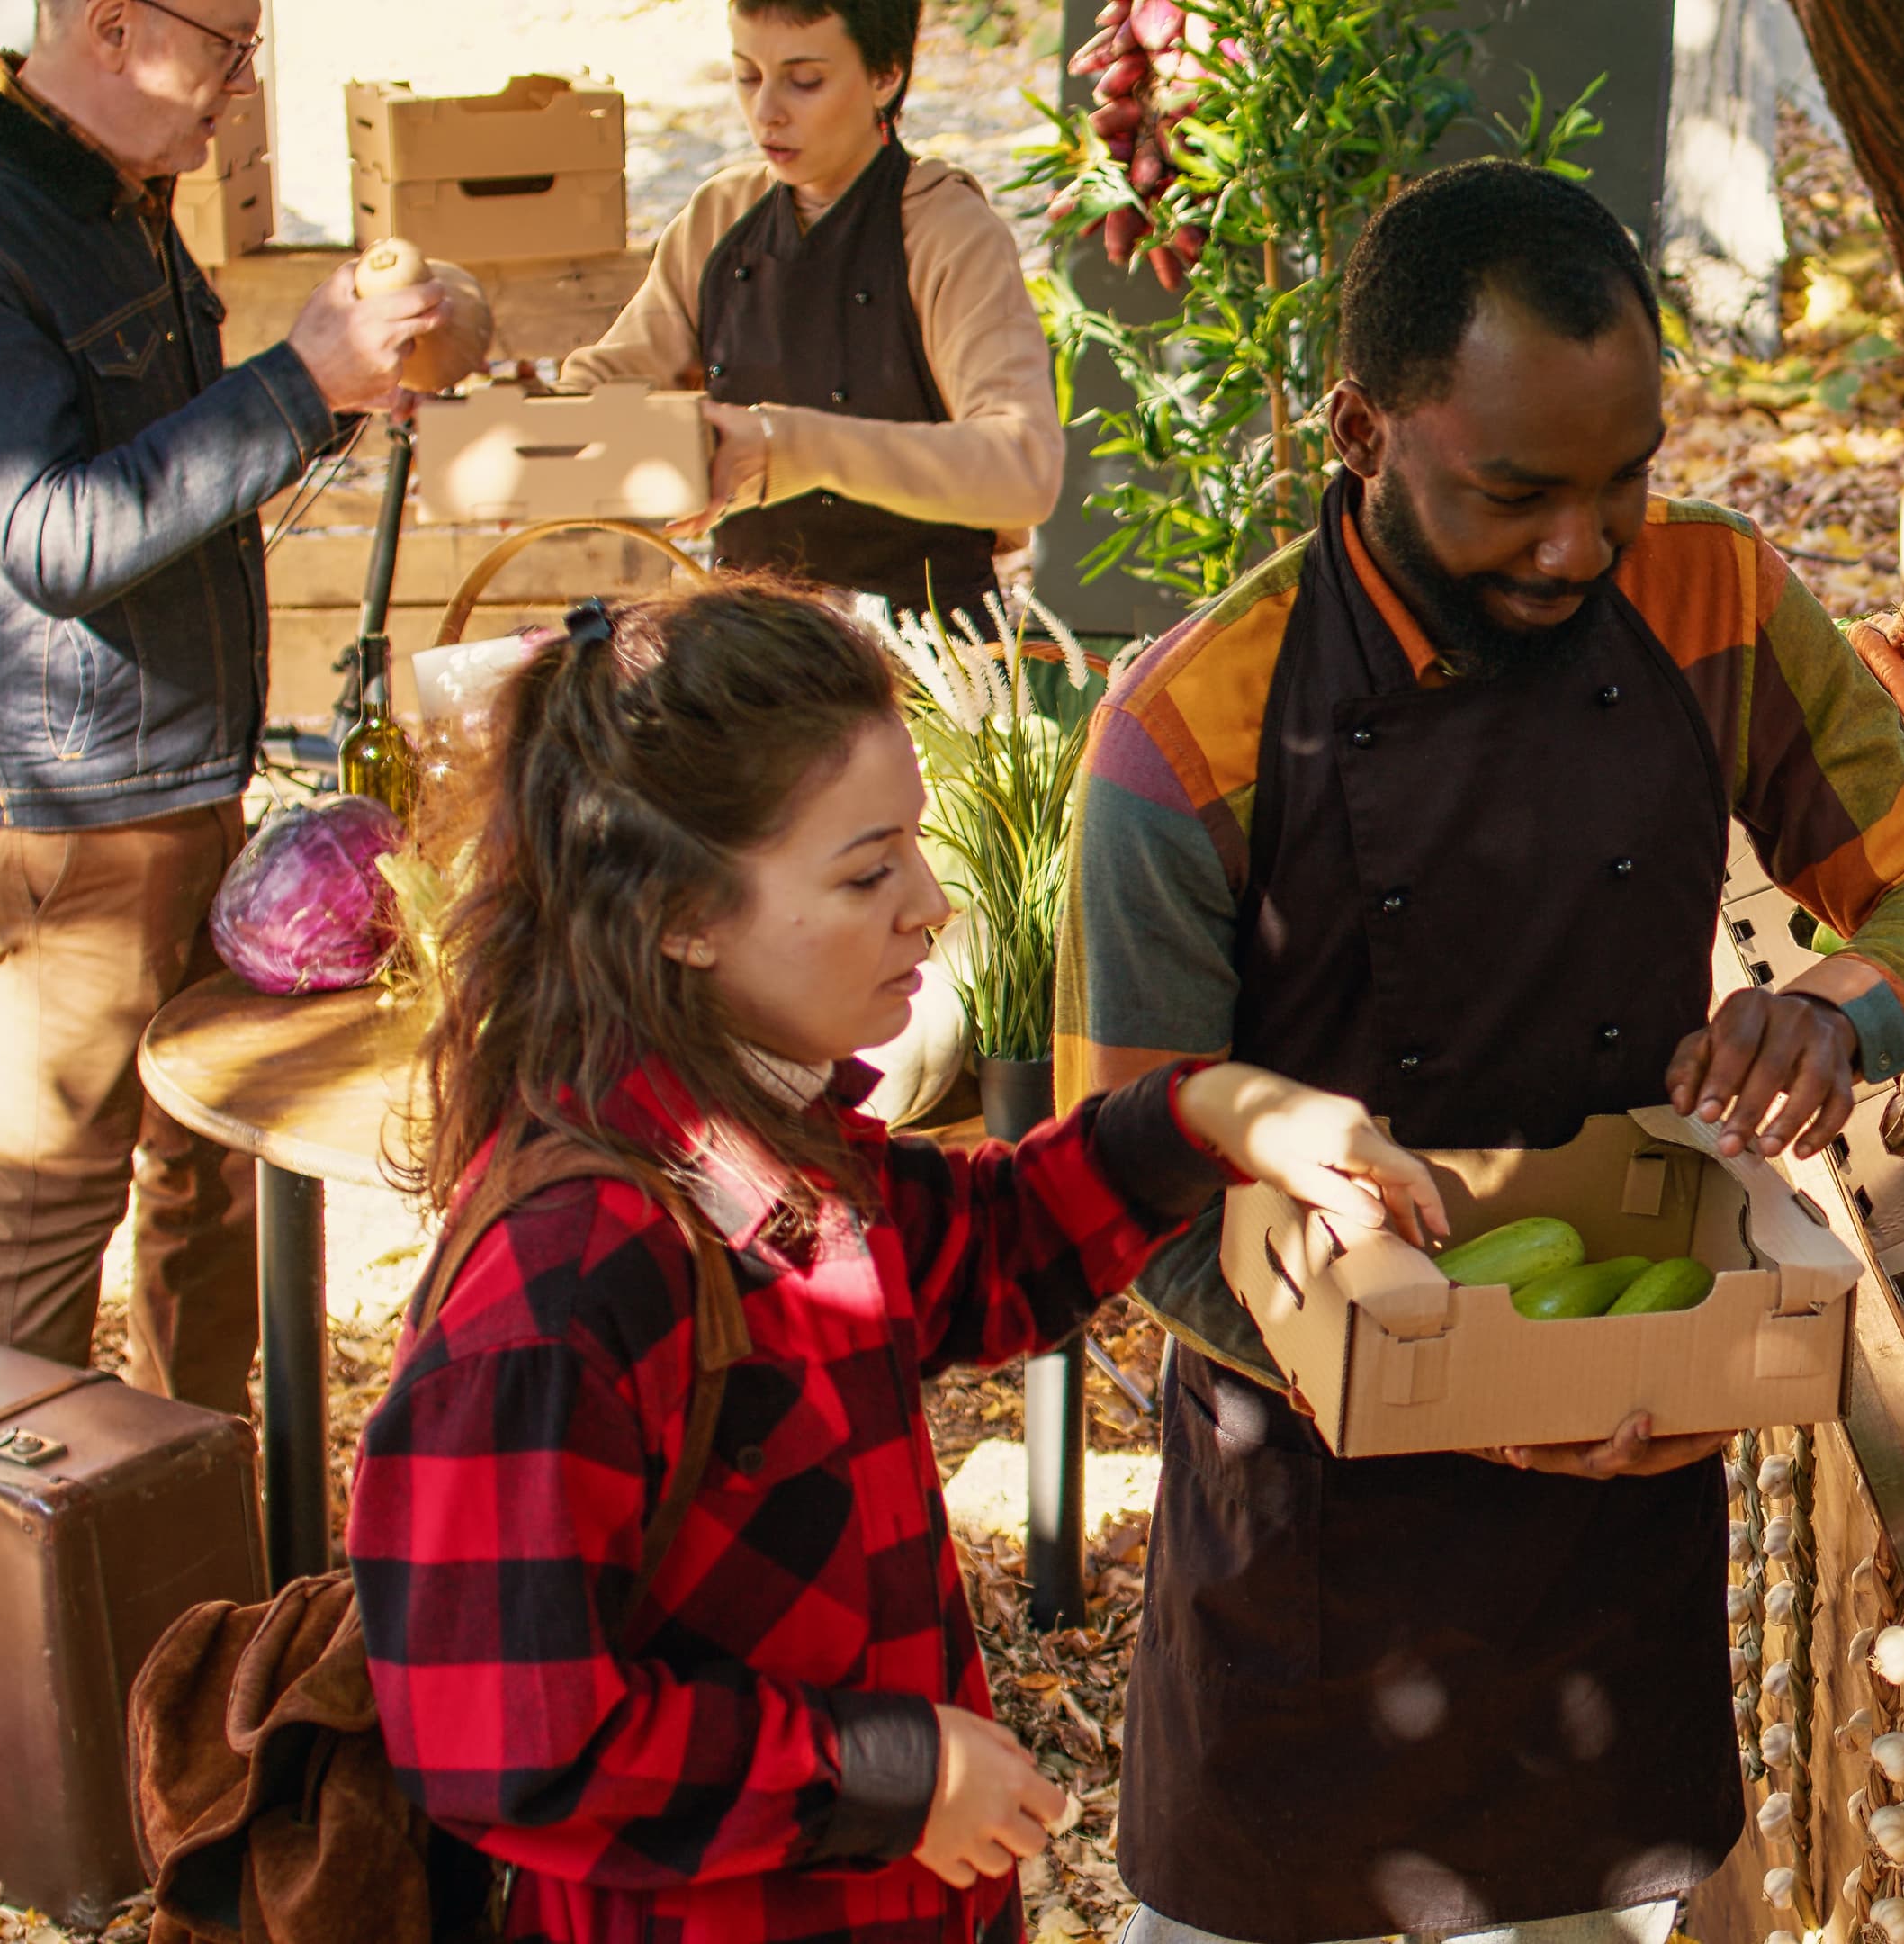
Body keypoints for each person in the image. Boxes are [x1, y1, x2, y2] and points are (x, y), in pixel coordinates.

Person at [1056, 159, 1904, 1944]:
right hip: (1312, 1568)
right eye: (1518, 494)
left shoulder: (1710, 597)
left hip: (1620, 1519)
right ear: (1361, 428)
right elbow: (1122, 1192)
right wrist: (1439, 1375)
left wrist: (1846, 1010)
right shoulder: (1183, 733)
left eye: (1624, 478)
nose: (1583, 548)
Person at [346, 582, 1444, 1944]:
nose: (928, 902)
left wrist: (1214, 1114)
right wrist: (888, 1774)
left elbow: (980, 1249)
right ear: (682, 912)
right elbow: (504, 1739)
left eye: (914, 849)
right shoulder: (566, 1281)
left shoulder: (757, 1138)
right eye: (867, 872)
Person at [0, 4, 440, 1413]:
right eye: (231, 43)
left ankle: (195, 1565)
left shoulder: (105, 183)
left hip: (176, 776)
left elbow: (149, 457)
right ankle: (11, 1604)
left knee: (210, 1180)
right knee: (46, 1225)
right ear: (111, 28)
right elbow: (52, 535)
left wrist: (333, 399)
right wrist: (297, 379)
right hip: (61, 822)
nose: (244, 87)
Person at [561, 0, 1063, 624]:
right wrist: (534, 441)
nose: (766, 110)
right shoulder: (720, 216)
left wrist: (790, 447)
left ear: (887, 76)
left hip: (930, 663)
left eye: (805, 81)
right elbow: (608, 381)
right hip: (748, 647)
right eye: (747, 75)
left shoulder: (950, 232)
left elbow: (1024, 469)